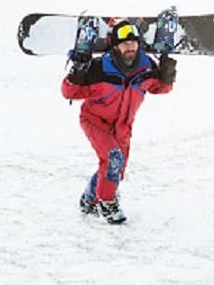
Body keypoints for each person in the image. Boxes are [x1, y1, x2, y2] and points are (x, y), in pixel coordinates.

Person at [61, 19, 177, 224]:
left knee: (115, 169)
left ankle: (89, 199)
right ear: (115, 46)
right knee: (113, 159)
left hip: (123, 126)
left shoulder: (146, 67)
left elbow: (161, 88)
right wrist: (77, 70)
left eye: (134, 42)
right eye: (125, 43)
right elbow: (70, 92)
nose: (130, 47)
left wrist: (167, 72)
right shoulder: (100, 69)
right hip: (95, 120)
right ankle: (107, 204)